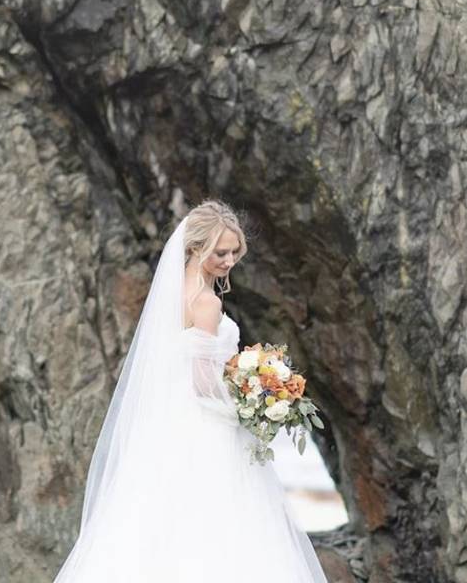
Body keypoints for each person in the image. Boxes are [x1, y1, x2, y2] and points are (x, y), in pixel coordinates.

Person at [53, 200, 329, 582]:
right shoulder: (206, 303)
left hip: (171, 425)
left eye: (235, 251)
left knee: (162, 526)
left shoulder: (173, 297)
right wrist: (253, 404)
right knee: (223, 528)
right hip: (209, 429)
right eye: (221, 252)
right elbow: (201, 380)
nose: (230, 260)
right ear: (196, 248)